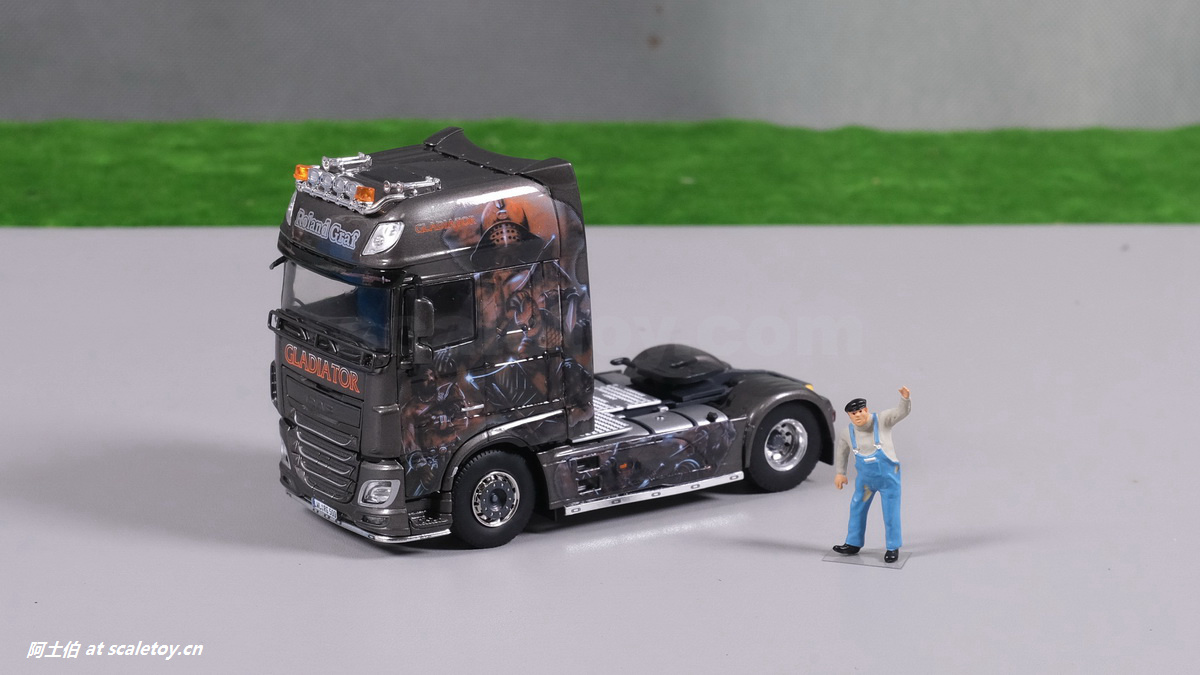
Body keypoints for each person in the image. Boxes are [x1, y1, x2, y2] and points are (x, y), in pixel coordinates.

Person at [832, 387, 910, 563]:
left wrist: (905, 399)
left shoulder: (882, 421)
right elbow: (842, 452)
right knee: (856, 508)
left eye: (860, 411)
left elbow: (901, 412)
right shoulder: (847, 433)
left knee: (890, 512)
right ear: (849, 416)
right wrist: (840, 473)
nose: (858, 415)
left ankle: (892, 547)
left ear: (866, 410)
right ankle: (853, 543)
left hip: (889, 479)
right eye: (853, 413)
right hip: (865, 481)